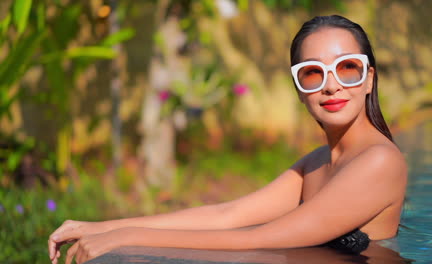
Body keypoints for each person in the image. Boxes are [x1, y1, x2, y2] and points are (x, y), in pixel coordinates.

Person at [48, 15, 407, 264]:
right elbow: (228, 214)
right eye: (312, 73)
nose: (331, 85)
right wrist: (101, 227)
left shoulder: (379, 161)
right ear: (299, 90)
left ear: (369, 78)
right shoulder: (316, 162)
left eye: (347, 67)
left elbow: (259, 238)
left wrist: (128, 238)